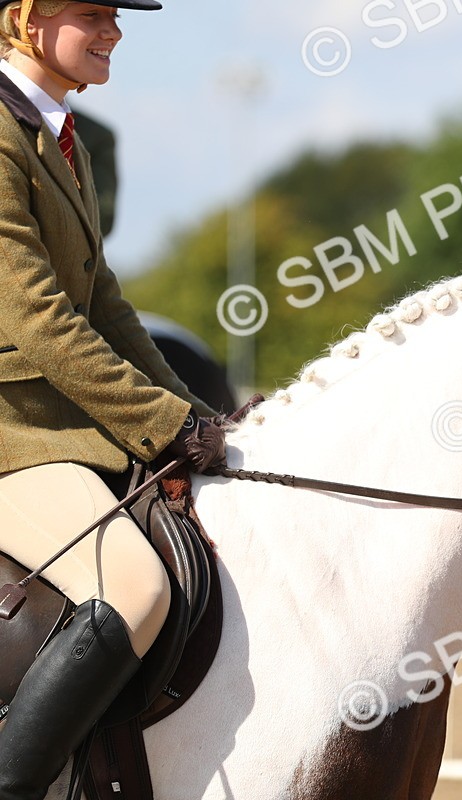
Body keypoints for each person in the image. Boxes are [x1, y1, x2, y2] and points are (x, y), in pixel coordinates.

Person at [0, 2, 225, 797]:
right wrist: (162, 423)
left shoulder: (61, 136)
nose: (114, 31)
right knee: (135, 587)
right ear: (25, 18)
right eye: (92, 12)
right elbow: (41, 323)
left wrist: (198, 415)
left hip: (59, 424)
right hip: (13, 432)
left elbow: (106, 308)